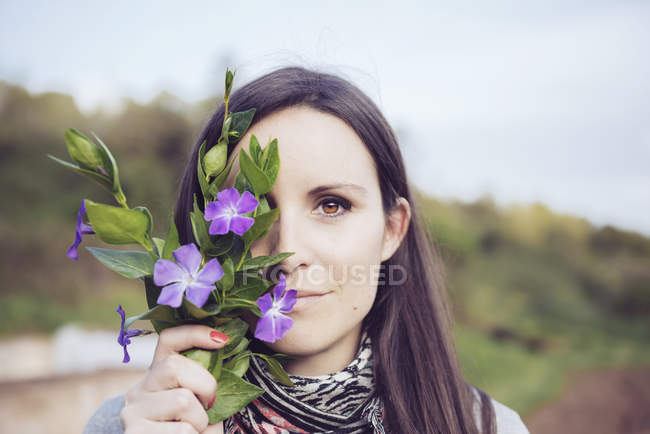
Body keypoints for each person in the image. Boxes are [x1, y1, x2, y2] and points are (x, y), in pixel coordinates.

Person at [83, 66, 530, 433]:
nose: (289, 252)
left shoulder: (486, 428)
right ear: (205, 235)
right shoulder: (126, 425)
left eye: (332, 205)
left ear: (392, 230)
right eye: (258, 211)